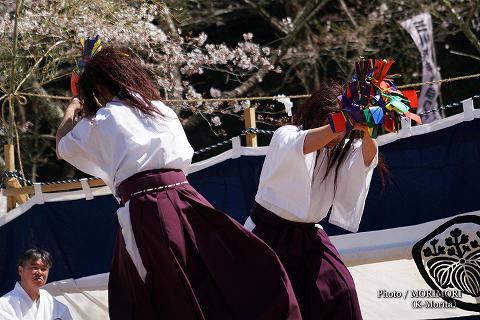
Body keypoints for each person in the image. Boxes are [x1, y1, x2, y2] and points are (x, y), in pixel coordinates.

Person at [55, 47, 301, 320]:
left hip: (146, 209)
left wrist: (74, 106)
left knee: (159, 290)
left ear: (100, 87)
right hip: (187, 199)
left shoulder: (104, 118)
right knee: (213, 275)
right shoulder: (161, 109)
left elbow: (63, 146)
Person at [244, 82, 384, 320]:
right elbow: (304, 145)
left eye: (343, 132)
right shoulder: (287, 135)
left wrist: (370, 128)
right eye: (336, 127)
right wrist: (344, 121)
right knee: (275, 307)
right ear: (317, 116)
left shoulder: (339, 148)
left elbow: (366, 158)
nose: (339, 136)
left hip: (311, 239)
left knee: (341, 290)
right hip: (268, 236)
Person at [0, 249, 73, 320]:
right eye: (34, 267)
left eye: (44, 269)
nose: (40, 273)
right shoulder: (4, 304)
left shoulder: (51, 302)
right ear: (20, 270)